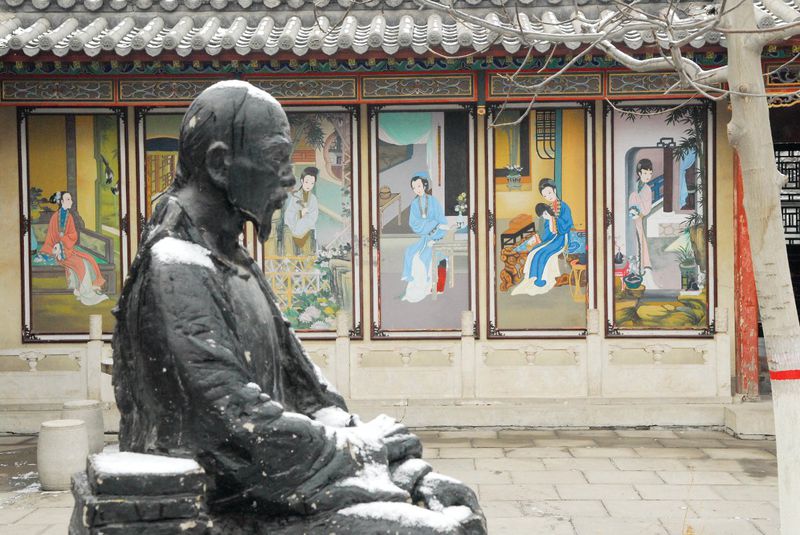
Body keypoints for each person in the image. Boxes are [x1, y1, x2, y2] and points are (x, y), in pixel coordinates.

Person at [112, 81, 484, 535]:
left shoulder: (235, 260)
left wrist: (405, 472)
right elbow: (241, 430)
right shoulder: (175, 269)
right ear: (219, 164)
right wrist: (365, 452)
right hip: (227, 507)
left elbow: (309, 393)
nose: (289, 178)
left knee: (454, 503)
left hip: (271, 489)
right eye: (276, 159)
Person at [39, 191, 108, 306]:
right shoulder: (54, 217)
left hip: (68, 249)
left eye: (71, 199)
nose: (71, 201)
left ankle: (91, 287)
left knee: (89, 258)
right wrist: (57, 247)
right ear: (61, 202)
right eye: (68, 199)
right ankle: (86, 293)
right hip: (59, 253)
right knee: (81, 264)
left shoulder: (69, 217)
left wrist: (63, 242)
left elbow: (73, 235)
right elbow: (50, 237)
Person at [511, 179, 573, 296]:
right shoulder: (547, 208)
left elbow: (567, 225)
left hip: (561, 237)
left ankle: (542, 280)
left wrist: (553, 219)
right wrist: (546, 221)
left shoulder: (564, 206)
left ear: (554, 190)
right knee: (535, 251)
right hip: (551, 237)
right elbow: (546, 229)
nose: (548, 196)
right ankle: (532, 277)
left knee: (544, 253)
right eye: (545, 195)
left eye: (549, 193)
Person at [401, 174, 448, 303]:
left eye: (419, 186)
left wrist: (434, 228)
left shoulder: (433, 201)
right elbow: (414, 223)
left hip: (437, 236)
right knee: (411, 253)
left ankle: (431, 286)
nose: (417, 189)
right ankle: (417, 286)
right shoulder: (415, 204)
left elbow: (441, 221)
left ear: (425, 185)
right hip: (424, 238)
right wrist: (429, 224)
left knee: (426, 258)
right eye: (414, 187)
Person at [628, 158, 658, 288]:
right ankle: (634, 270)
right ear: (639, 173)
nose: (648, 176)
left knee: (640, 242)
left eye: (650, 174)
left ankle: (641, 271)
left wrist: (636, 205)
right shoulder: (633, 185)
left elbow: (646, 209)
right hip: (631, 219)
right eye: (645, 173)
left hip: (639, 219)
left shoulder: (647, 189)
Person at [283, 166, 319, 255]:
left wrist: (306, 219)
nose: (308, 185)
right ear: (302, 181)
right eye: (306, 182)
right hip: (293, 227)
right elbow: (289, 213)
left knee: (307, 252)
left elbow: (314, 215)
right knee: (290, 245)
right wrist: (300, 213)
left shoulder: (313, 199)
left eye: (312, 183)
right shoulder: (295, 197)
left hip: (307, 228)